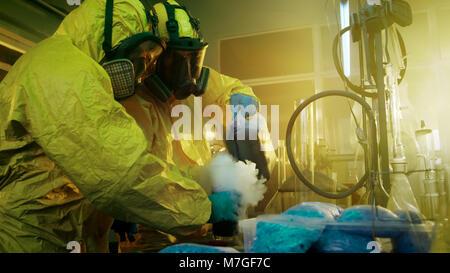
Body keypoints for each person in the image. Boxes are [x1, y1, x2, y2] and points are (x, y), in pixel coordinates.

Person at [0, 0, 261, 253]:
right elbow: (122, 173)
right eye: (138, 56)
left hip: (61, 228)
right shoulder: (66, 74)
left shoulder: (76, 67)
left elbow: (95, 169)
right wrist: (204, 208)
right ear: (108, 40)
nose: (140, 68)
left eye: (147, 57)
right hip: (30, 234)